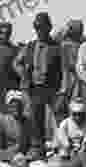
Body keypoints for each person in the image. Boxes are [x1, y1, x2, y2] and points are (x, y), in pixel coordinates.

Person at [13, 13, 62, 155]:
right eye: (38, 28)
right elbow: (16, 62)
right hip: (34, 87)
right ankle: (37, 147)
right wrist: (23, 74)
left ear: (49, 28)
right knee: (35, 117)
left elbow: (64, 69)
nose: (40, 31)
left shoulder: (56, 47)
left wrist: (62, 89)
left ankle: (61, 146)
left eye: (44, 28)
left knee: (58, 116)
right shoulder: (30, 46)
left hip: (52, 87)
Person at [50, 98, 86, 167]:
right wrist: (69, 146)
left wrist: (83, 147)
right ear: (71, 113)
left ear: (85, 113)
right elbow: (62, 139)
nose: (78, 117)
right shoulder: (65, 123)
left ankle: (84, 166)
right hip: (70, 151)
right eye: (75, 114)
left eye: (80, 114)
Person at [0, 90, 33, 163]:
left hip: (25, 160)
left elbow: (34, 144)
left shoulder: (28, 123)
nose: (16, 108)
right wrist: (9, 156)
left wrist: (28, 156)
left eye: (19, 105)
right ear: (8, 106)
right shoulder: (0, 122)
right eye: (13, 105)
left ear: (23, 106)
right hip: (4, 160)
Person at [56, 20, 85, 122]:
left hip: (75, 80)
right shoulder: (67, 45)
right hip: (69, 79)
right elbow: (70, 64)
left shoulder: (79, 45)